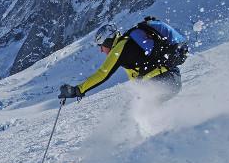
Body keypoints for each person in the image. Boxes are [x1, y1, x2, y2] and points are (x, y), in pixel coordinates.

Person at [59, 17, 188, 101]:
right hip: (171, 78)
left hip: (162, 82)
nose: (101, 50)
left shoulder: (121, 48)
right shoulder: (130, 43)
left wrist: (78, 90)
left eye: (101, 46)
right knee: (143, 116)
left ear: (108, 41)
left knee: (136, 119)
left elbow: (103, 74)